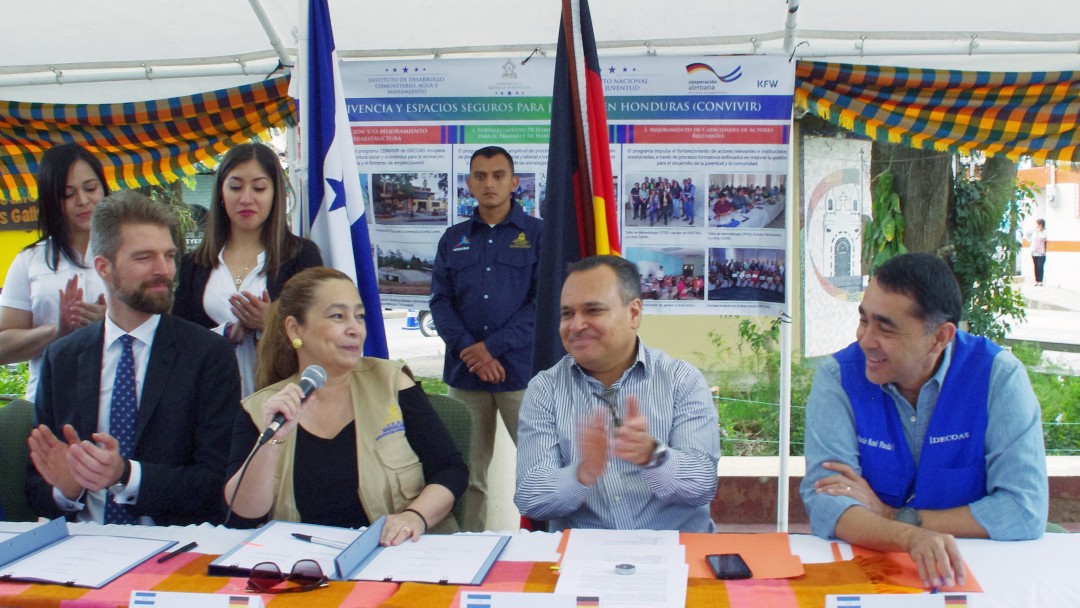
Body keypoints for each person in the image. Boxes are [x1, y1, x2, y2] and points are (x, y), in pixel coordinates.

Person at [800, 253, 1047, 590]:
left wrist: (892, 515)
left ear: (940, 337)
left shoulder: (998, 377)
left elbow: (1023, 509)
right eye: (864, 320)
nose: (866, 340)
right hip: (874, 576)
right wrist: (909, 537)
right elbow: (828, 504)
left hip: (981, 573)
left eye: (885, 328)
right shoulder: (837, 377)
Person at [26, 191, 241, 526]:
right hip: (81, 551)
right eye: (144, 258)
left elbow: (217, 483)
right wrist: (66, 490)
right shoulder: (62, 359)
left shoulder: (207, 356)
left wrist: (126, 475)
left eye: (169, 256)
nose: (164, 270)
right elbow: (36, 485)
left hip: (175, 551)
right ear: (104, 267)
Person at [224, 267, 467, 544]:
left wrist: (414, 516)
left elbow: (451, 470)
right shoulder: (261, 409)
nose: (355, 329)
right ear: (294, 329)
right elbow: (244, 514)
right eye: (338, 316)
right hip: (302, 567)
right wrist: (272, 442)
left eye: (360, 316)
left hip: (392, 557)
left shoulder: (392, 383)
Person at [515, 255, 720, 532]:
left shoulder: (681, 381)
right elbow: (531, 498)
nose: (576, 325)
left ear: (633, 313)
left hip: (675, 554)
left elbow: (701, 487)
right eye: (567, 314)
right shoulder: (545, 390)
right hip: (584, 558)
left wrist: (653, 456)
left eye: (593, 310)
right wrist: (581, 474)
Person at [429, 146, 542, 532]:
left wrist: (491, 349)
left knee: (541, 472)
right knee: (466, 476)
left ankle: (545, 547)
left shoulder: (537, 234)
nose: (489, 183)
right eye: (480, 175)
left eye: (498, 175)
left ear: (514, 182)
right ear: (469, 184)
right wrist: (471, 351)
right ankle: (465, 553)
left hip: (522, 374)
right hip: (466, 376)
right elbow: (440, 302)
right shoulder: (453, 238)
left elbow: (542, 303)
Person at [173, 142, 322, 396]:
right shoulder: (195, 264)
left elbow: (321, 333)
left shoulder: (301, 256)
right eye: (235, 186)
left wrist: (272, 322)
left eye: (259, 187)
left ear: (276, 193)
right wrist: (224, 333)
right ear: (221, 191)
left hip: (282, 402)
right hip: (211, 404)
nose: (246, 198)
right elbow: (177, 338)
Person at [0, 143, 110, 400]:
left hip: (119, 404)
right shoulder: (31, 260)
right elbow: (3, 347)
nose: (83, 201)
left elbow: (160, 326)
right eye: (67, 194)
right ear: (51, 200)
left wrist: (114, 321)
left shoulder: (128, 253)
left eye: (91, 188)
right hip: (50, 403)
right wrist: (57, 330)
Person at [1030, 218, 1047, 286]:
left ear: (1041, 225)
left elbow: (1044, 238)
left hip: (1041, 252)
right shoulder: (1035, 232)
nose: (1037, 226)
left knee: (1040, 266)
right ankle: (1036, 280)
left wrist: (1040, 232)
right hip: (1034, 251)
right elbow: (1030, 237)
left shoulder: (1044, 232)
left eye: (1038, 224)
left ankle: (1040, 280)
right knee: (1036, 266)